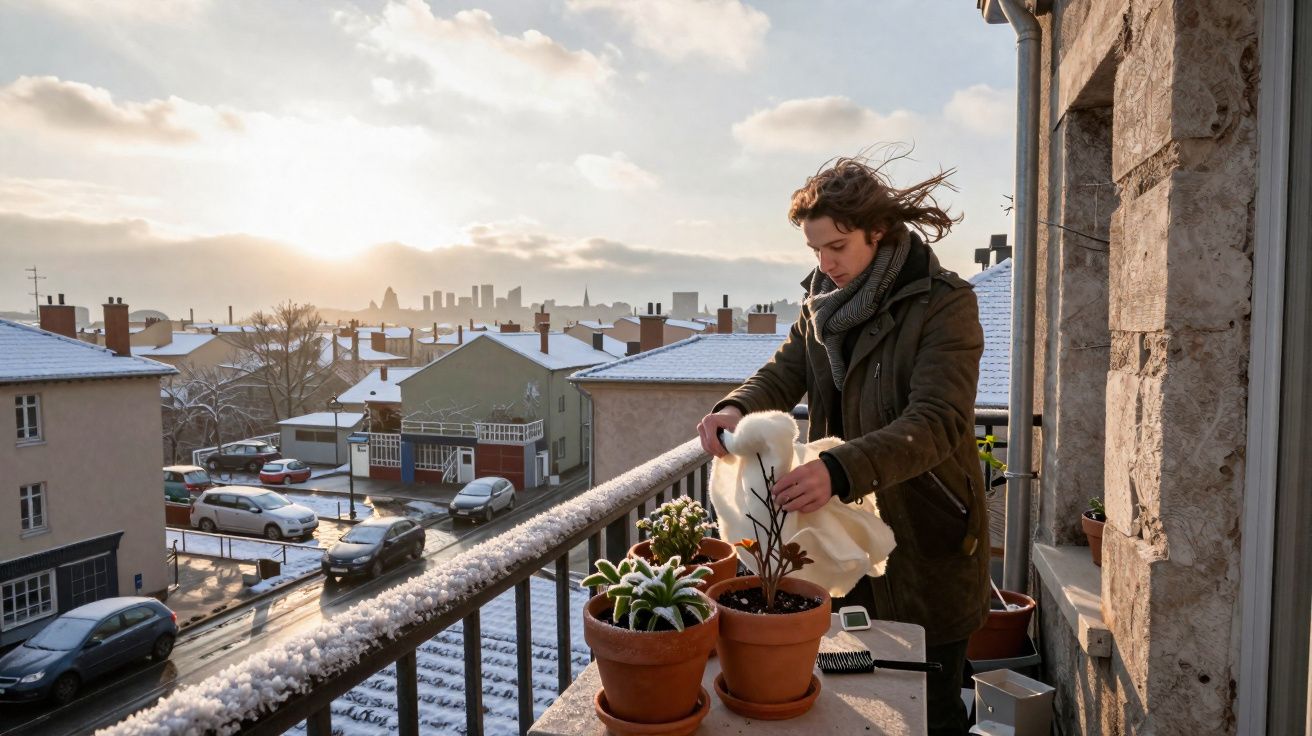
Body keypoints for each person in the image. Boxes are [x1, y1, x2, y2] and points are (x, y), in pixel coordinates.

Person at [697, 154, 989, 736]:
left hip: (924, 535)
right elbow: (784, 373)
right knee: (856, 696)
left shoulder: (944, 303)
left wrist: (840, 467)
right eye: (815, 251)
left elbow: (938, 420)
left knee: (932, 708)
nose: (826, 264)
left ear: (876, 233)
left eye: (838, 247)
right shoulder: (820, 307)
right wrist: (736, 406)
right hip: (841, 533)